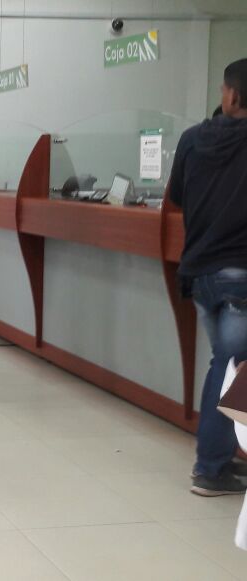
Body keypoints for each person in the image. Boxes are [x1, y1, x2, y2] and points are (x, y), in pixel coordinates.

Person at [169, 58, 247, 497]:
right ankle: (212, 467)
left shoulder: (192, 139)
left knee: (226, 364)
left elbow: (177, 197)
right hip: (240, 273)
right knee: (232, 368)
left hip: (199, 272)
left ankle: (219, 461)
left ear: (232, 95)